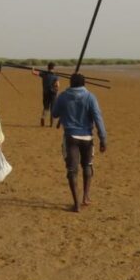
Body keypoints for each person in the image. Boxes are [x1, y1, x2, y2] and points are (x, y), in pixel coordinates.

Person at [52, 72, 108, 212]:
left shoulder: (63, 96)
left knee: (72, 170)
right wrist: (103, 138)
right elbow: (98, 118)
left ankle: (77, 204)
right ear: (84, 84)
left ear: (71, 83)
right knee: (87, 166)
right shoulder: (90, 97)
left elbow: (54, 113)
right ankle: (86, 197)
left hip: (71, 137)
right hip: (87, 138)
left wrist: (57, 95)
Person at [30, 62, 59, 127]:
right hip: (53, 94)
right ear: (53, 68)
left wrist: (33, 69)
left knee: (46, 107)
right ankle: (51, 124)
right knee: (52, 108)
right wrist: (56, 89)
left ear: (48, 67)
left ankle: (43, 117)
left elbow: (33, 73)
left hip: (45, 93)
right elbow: (57, 85)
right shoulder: (55, 76)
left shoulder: (44, 74)